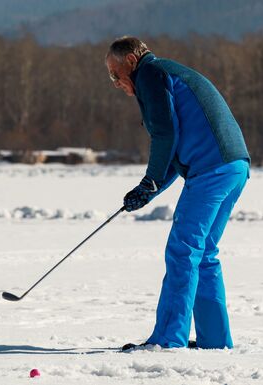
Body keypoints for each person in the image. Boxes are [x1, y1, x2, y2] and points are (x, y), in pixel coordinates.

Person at [105, 36, 250, 351]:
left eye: (115, 74)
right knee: (203, 253)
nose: (115, 83)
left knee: (183, 251)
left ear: (131, 60)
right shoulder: (164, 73)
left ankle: (168, 340)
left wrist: (149, 181)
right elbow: (174, 148)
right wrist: (148, 190)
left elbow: (165, 134)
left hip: (212, 171)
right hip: (233, 167)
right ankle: (215, 341)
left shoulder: (151, 75)